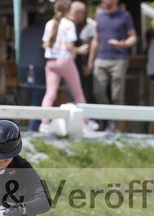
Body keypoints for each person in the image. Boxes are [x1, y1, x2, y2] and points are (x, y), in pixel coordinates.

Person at [86, 0, 137, 130]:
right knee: (97, 91)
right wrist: (90, 62)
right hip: (101, 58)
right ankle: (108, 120)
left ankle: (117, 128)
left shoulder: (125, 15)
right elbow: (96, 39)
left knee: (117, 95)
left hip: (119, 59)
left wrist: (124, 44)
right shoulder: (100, 16)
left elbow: (133, 37)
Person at [39, 0, 89, 133]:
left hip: (51, 61)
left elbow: (45, 43)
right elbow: (70, 47)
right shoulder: (68, 24)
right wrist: (81, 50)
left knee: (50, 93)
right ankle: (86, 122)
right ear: (68, 10)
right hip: (64, 60)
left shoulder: (50, 23)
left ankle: (44, 123)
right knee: (77, 92)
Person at [19, 13, 47, 132]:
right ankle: (33, 126)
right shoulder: (45, 32)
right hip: (38, 66)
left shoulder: (25, 31)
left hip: (23, 66)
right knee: (37, 97)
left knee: (29, 97)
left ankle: (30, 124)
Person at [70, 0, 96, 103]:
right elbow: (67, 46)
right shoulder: (70, 25)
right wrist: (79, 50)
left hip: (75, 63)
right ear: (78, 13)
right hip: (71, 63)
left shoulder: (73, 25)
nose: (84, 16)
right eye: (83, 13)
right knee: (76, 92)